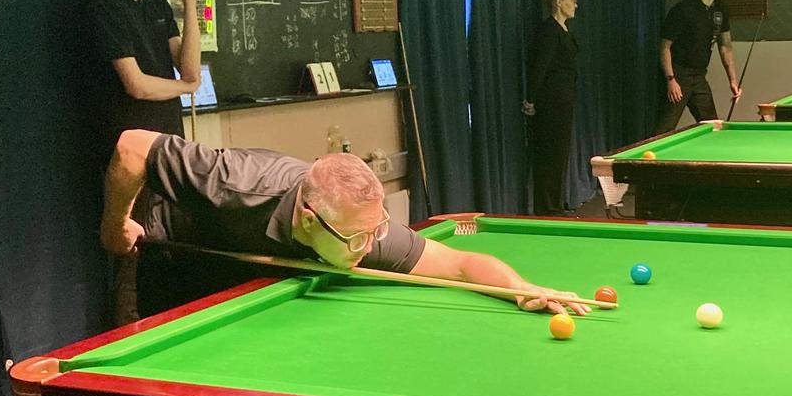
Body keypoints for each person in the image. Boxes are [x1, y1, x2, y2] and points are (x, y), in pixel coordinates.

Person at [100, 129, 590, 317]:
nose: (371, 244)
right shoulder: (235, 184)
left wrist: (522, 288)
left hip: (249, 270)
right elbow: (132, 147)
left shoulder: (364, 230)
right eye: (358, 238)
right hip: (168, 254)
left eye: (376, 230)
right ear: (309, 219)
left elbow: (460, 264)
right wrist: (115, 225)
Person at [87, 0, 202, 325]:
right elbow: (135, 83)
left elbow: (189, 67)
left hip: (169, 146)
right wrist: (186, 88)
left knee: (172, 252)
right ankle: (127, 342)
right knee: (133, 257)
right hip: (130, 155)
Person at [654, 0, 741, 135]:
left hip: (699, 76)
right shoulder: (682, 10)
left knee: (711, 124)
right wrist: (671, 79)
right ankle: (650, 153)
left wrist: (733, 81)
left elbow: (725, 46)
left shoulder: (720, 9)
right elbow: (665, 47)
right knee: (665, 128)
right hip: (678, 75)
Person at [523, 0, 579, 217]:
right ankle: (547, 207)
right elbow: (539, 67)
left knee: (560, 154)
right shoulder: (548, 31)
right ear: (558, 2)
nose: (575, 5)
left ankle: (556, 203)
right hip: (550, 102)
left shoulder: (564, 30)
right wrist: (531, 100)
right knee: (549, 154)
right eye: (571, 0)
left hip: (564, 100)